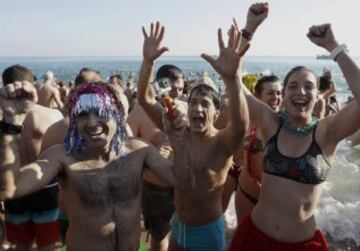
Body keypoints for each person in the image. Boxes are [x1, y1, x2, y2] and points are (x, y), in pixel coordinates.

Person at [0, 81, 190, 251]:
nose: (92, 123)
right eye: (83, 115)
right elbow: (10, 189)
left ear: (117, 116)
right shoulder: (62, 157)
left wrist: (177, 137)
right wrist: (11, 123)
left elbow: (180, 178)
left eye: (101, 113)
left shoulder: (138, 150)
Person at [229, 23, 360, 251]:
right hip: (254, 238)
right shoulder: (271, 124)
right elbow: (235, 81)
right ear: (285, 93)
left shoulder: (327, 132)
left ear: (317, 94)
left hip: (303, 245)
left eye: (308, 87)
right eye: (293, 86)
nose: (300, 92)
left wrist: (333, 46)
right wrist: (249, 28)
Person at [137, 21, 249, 250]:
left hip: (207, 232)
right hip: (178, 225)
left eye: (205, 104)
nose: (198, 108)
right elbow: (145, 99)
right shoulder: (179, 130)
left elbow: (241, 125)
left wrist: (232, 78)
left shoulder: (221, 142)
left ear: (216, 113)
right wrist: (148, 61)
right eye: (194, 103)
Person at [1, 65, 63, 251]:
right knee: (48, 245)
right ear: (32, 85)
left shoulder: (4, 118)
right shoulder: (51, 114)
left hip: (13, 185)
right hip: (44, 184)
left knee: (21, 244)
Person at [218, 2, 269, 214]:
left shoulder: (277, 121)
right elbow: (233, 74)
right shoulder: (239, 111)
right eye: (270, 92)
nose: (275, 97)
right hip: (234, 171)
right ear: (256, 95)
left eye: (278, 92)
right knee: (218, 215)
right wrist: (248, 29)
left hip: (267, 188)